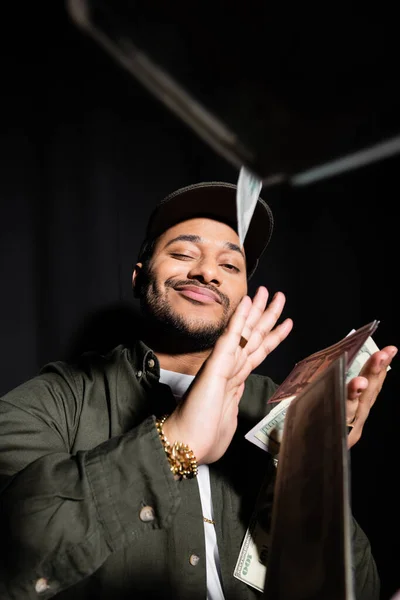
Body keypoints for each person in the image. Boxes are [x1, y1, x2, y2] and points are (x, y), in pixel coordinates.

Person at [0, 181, 396, 600]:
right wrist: (174, 443)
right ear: (139, 276)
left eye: (230, 266)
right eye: (183, 254)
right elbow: (12, 550)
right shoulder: (58, 398)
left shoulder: (277, 407)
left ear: (243, 294)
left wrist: (315, 473)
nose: (207, 272)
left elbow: (359, 589)